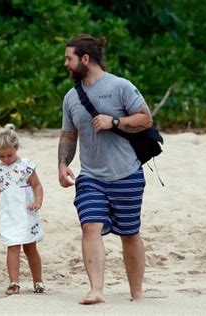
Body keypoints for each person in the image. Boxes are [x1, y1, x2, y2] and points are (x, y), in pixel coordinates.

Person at [58, 34, 153, 304]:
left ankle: (137, 293)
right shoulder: (71, 97)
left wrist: (114, 121)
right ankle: (96, 289)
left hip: (127, 172)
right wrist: (63, 163)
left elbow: (146, 119)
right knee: (90, 226)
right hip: (91, 176)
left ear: (85, 59)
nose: (66, 63)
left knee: (130, 233)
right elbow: (68, 135)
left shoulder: (121, 86)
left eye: (69, 58)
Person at [0, 124, 46, 295]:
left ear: (17, 148)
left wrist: (38, 201)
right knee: (12, 246)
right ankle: (14, 282)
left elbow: (37, 185)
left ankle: (38, 281)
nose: (6, 159)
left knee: (30, 248)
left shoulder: (26, 166)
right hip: (9, 214)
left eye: (9, 155)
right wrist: (1, 211)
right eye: (2, 156)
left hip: (26, 212)